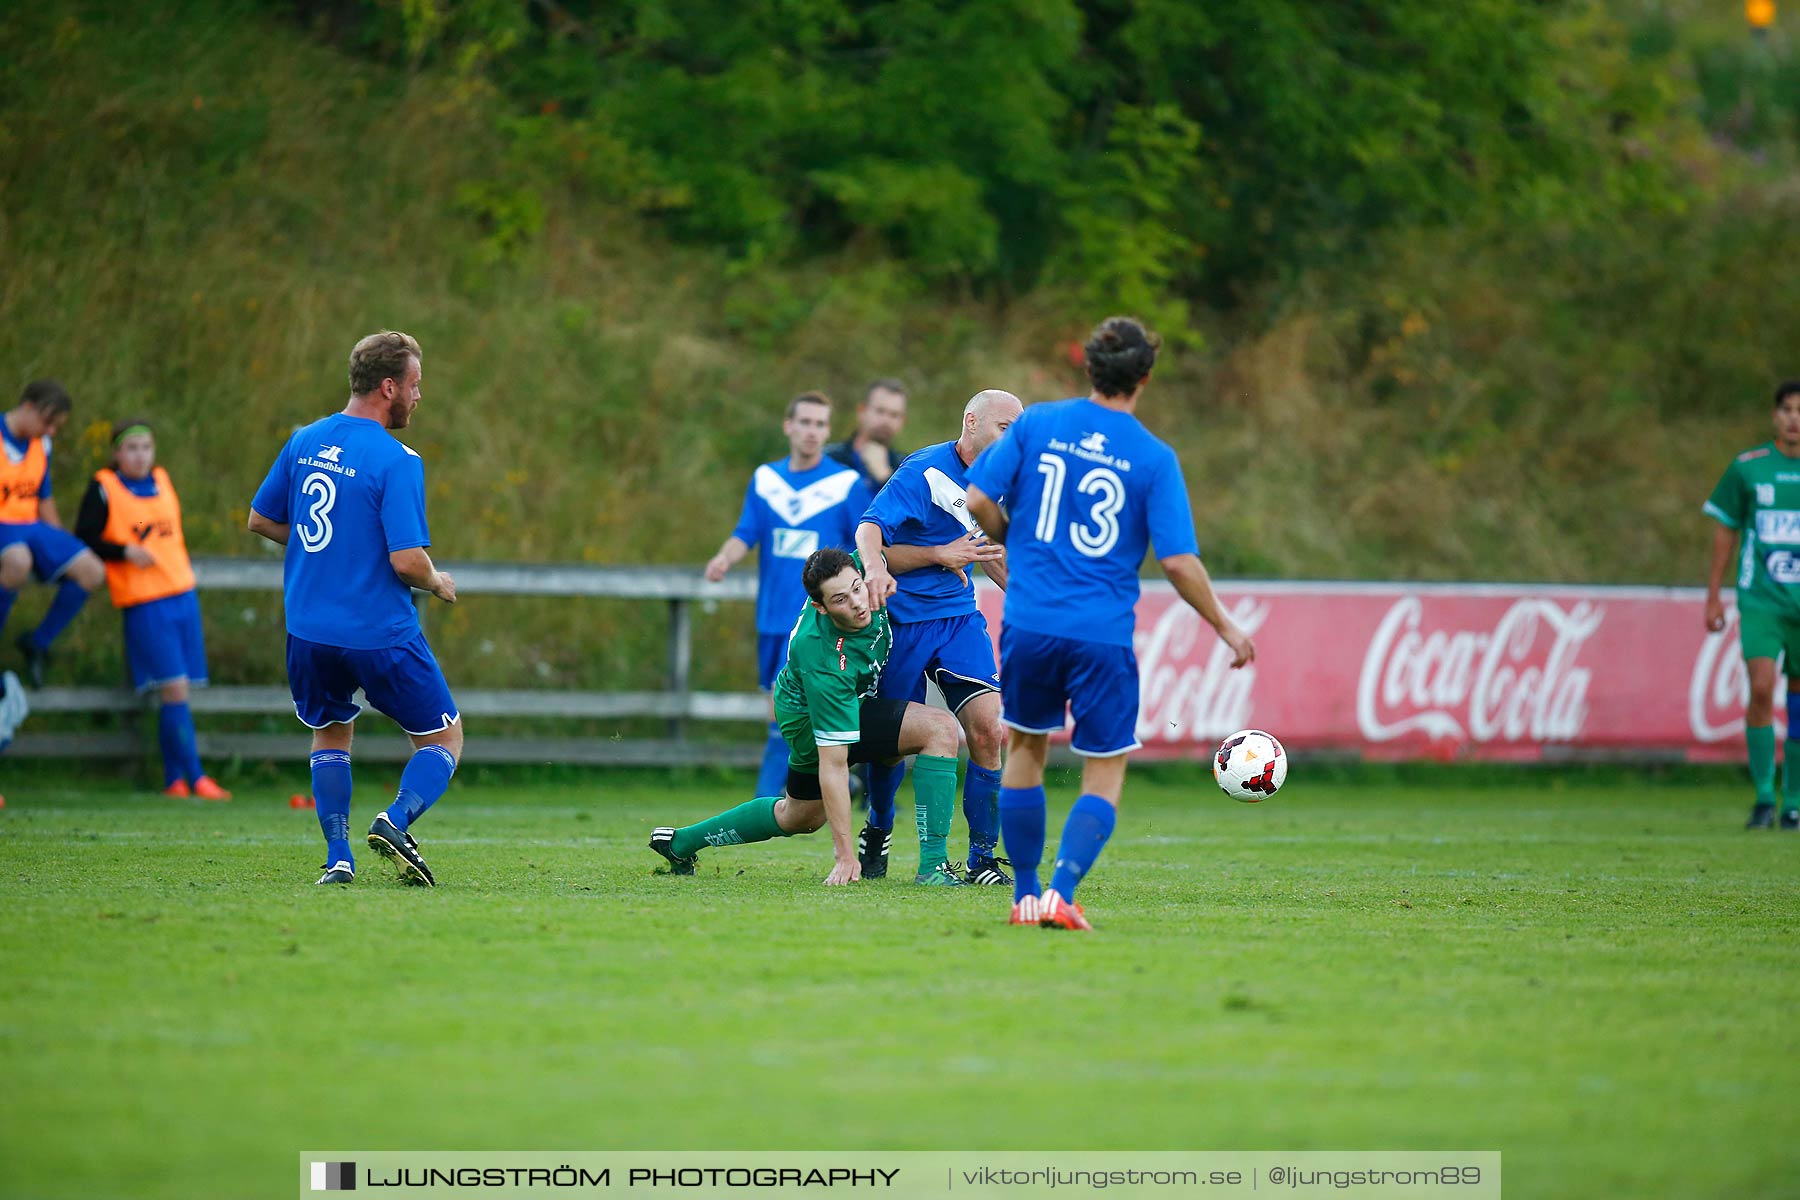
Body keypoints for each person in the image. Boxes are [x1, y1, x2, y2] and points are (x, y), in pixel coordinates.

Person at [965, 317, 1255, 930]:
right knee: (1105, 763)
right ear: (1144, 377)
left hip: (1030, 621)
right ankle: (1062, 894)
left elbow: (978, 502)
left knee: (1025, 746)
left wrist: (1016, 541)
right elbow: (1177, 561)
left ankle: (1024, 894)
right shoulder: (1153, 457)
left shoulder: (1039, 424)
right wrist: (1226, 626)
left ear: (1089, 369)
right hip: (1100, 634)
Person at [248, 331, 462, 886]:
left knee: (330, 731)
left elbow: (261, 518)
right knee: (443, 738)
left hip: (309, 629)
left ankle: (339, 858)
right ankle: (395, 820)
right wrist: (437, 582)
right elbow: (408, 560)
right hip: (377, 631)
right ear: (389, 386)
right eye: (415, 385)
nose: (419, 397)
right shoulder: (396, 459)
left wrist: (331, 550)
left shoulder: (305, 440)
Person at [652, 547, 967, 885]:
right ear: (821, 607)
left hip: (848, 700)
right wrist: (845, 856)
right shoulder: (825, 659)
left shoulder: (855, 567)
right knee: (939, 729)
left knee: (799, 816)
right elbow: (834, 765)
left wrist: (938, 552)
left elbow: (883, 548)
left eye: (858, 589)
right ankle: (929, 868)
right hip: (808, 720)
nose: (858, 603)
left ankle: (681, 842)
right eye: (841, 600)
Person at [854, 389, 1022, 884]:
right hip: (900, 623)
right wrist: (896, 566)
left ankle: (981, 859)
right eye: (1005, 429)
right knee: (891, 748)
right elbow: (869, 532)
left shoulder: (1004, 482)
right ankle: (879, 827)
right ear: (972, 421)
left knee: (990, 729)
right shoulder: (924, 470)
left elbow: (992, 555)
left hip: (957, 619)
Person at [706, 392, 873, 798]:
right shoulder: (767, 480)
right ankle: (786, 794)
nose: (812, 431)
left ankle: (835, 789)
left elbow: (867, 541)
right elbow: (746, 531)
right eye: (805, 422)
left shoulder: (844, 484)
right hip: (774, 616)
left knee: (833, 705)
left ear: (827, 431)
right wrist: (724, 558)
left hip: (821, 622)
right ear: (789, 426)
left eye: (820, 424)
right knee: (779, 708)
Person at [74, 418, 230, 799]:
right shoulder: (104, 488)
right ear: (116, 453)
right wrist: (123, 550)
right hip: (144, 602)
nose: (140, 455)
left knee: (178, 691)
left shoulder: (162, 479)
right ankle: (197, 778)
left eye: (146, 447)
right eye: (131, 448)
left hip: (181, 594)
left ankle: (173, 781)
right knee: (174, 690)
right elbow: (83, 538)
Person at [1704, 379, 1800, 831]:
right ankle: (1764, 796)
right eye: (1786, 410)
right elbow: (1726, 528)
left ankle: (1794, 801)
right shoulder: (1748, 468)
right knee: (1761, 688)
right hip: (1761, 600)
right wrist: (1713, 594)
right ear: (1774, 416)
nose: (1794, 419)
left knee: (1799, 703)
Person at [1, 380, 104, 687]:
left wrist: (62, 544)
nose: (51, 431)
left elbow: (42, 497)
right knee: (18, 562)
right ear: (28, 407)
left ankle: (38, 643)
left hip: (30, 525)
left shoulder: (40, 444)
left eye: (56, 426)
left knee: (92, 570)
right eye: (48, 422)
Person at [825, 379, 909, 492]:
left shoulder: (906, 468)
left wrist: (885, 476)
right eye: (880, 411)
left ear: (902, 421)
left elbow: (907, 507)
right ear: (862, 411)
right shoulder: (829, 458)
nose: (886, 420)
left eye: (894, 415)